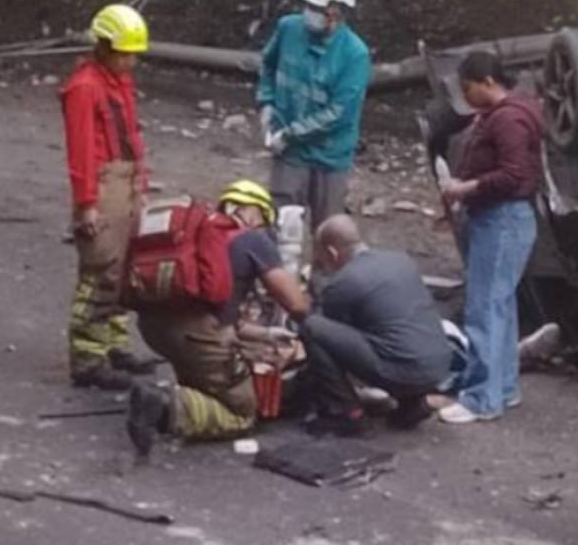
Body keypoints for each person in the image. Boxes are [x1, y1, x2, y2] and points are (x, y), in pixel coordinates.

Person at [126, 180, 312, 456]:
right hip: (196, 336)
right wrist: (319, 324)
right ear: (254, 213)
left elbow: (225, 316)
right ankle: (163, 405)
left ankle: (184, 393)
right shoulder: (253, 239)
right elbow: (296, 304)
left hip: (154, 328)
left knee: (208, 378)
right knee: (241, 412)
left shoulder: (204, 235)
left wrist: (268, 335)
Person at [437, 51, 544, 424]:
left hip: (501, 220)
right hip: (505, 218)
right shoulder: (510, 114)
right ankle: (505, 385)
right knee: (501, 304)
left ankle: (482, 398)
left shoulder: (507, 120)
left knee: (483, 307)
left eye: (468, 88)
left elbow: (514, 175)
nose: (465, 97)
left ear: (487, 82)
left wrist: (467, 187)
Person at [61, 3, 157, 391]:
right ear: (103, 46)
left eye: (133, 54)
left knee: (123, 271)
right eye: (124, 53)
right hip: (103, 186)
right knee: (100, 271)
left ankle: (114, 345)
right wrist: (87, 204)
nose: (130, 61)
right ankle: (87, 356)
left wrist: (141, 186)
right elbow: (81, 151)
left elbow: (132, 137)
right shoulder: (85, 87)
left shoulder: (118, 82)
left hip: (125, 182)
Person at [296, 215, 454, 435]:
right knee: (395, 333)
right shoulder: (400, 260)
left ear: (332, 253)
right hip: (440, 364)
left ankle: (346, 413)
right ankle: (412, 404)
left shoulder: (344, 282)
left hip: (401, 369)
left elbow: (330, 332)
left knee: (312, 327)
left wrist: (317, 277)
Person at [257, 0, 372, 233]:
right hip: (290, 154)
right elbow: (268, 65)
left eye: (317, 7)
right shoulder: (288, 29)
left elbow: (337, 113)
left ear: (337, 11)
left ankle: (323, 277)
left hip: (329, 156)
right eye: (307, 5)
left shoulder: (355, 55)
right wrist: (266, 104)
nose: (309, 12)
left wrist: (289, 135)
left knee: (327, 233)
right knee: (281, 227)